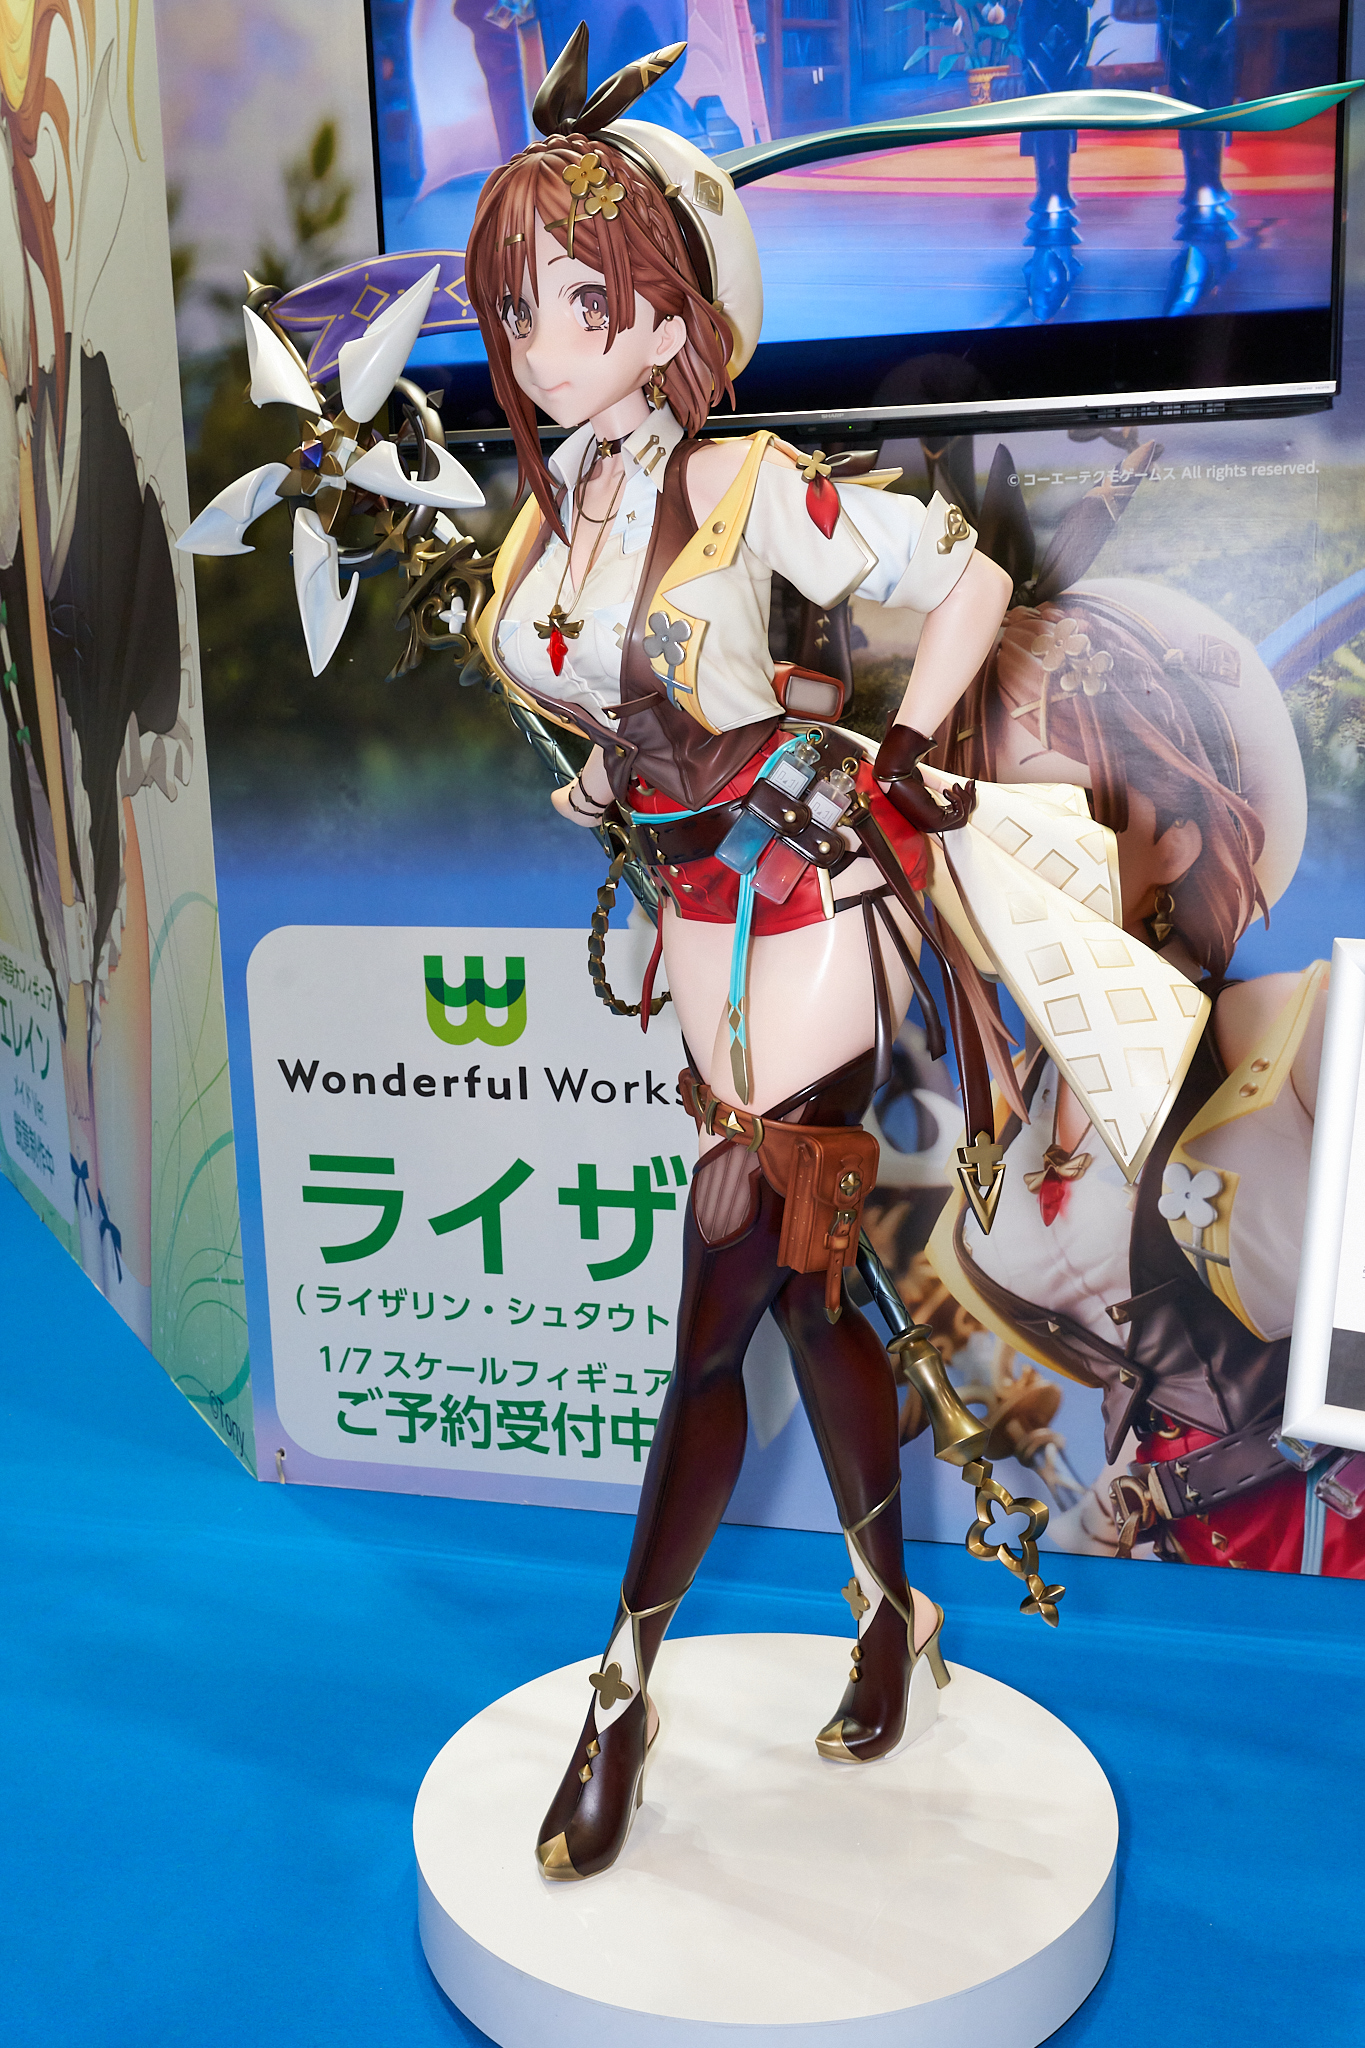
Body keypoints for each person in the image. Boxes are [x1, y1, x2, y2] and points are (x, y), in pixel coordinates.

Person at [459, 27, 1016, 1881]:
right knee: (804, 1297)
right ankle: (892, 1608)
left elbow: (969, 578)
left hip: (815, 900)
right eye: (518, 306)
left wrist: (913, 749)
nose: (542, 342)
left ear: (666, 309)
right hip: (696, 913)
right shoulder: (556, 512)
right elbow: (595, 701)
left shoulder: (750, 479)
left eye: (580, 300)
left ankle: (618, 1692)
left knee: (719, 1275)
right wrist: (608, 781)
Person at [924, 570, 1356, 1576]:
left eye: (1050, 808)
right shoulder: (1017, 1097)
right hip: (1155, 1552)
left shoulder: (1289, 1028)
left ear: (1174, 840)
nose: (1006, 853)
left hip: (1330, 1543)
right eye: (976, 813)